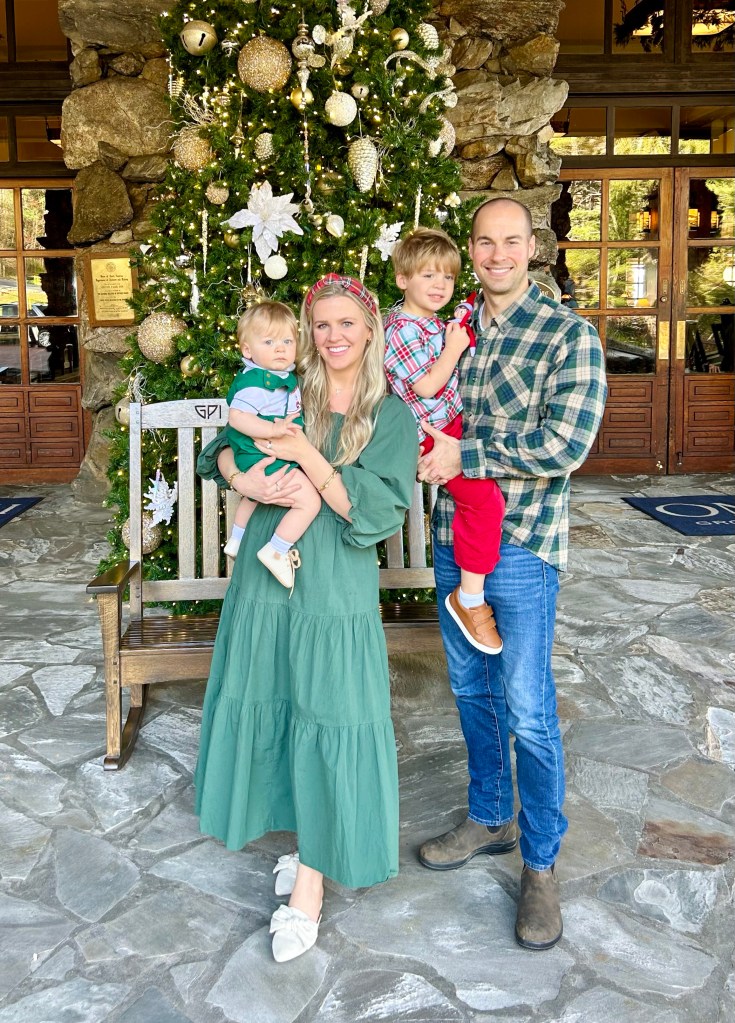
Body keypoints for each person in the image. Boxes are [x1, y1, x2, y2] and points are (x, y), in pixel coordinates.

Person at [194, 274, 418, 964]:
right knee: (283, 704)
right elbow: (219, 447)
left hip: (332, 588)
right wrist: (242, 477)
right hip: (268, 579)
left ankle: (311, 883)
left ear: (371, 329)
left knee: (329, 712)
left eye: (347, 322)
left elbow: (375, 514)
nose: (333, 336)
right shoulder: (290, 390)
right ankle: (305, 843)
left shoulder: (390, 415)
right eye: (321, 324)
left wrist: (308, 458)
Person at [417, 198, 607, 951]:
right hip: (451, 539)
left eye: (511, 241)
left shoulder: (568, 335)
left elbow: (565, 444)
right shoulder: (452, 332)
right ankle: (490, 815)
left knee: (528, 707)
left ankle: (540, 861)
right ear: (471, 249)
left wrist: (467, 454)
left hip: (523, 545)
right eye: (484, 242)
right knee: (471, 690)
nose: (497, 254)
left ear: (532, 248)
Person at [384, 228, 505, 655]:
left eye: (448, 277)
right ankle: (469, 598)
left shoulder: (431, 324)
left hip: (453, 427)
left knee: (478, 502)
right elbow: (428, 386)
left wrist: (457, 327)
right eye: (428, 275)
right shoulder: (400, 330)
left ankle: (471, 587)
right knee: (486, 503)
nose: (440, 285)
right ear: (402, 279)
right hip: (432, 435)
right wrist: (454, 346)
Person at [222, 300, 321, 592]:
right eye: (269, 342)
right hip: (263, 452)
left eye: (287, 341)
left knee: (254, 495)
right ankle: (276, 550)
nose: (280, 348)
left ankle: (237, 539)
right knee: (310, 501)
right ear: (247, 350)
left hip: (260, 456)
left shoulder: (281, 377)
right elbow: (237, 417)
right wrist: (274, 430)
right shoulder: (256, 384)